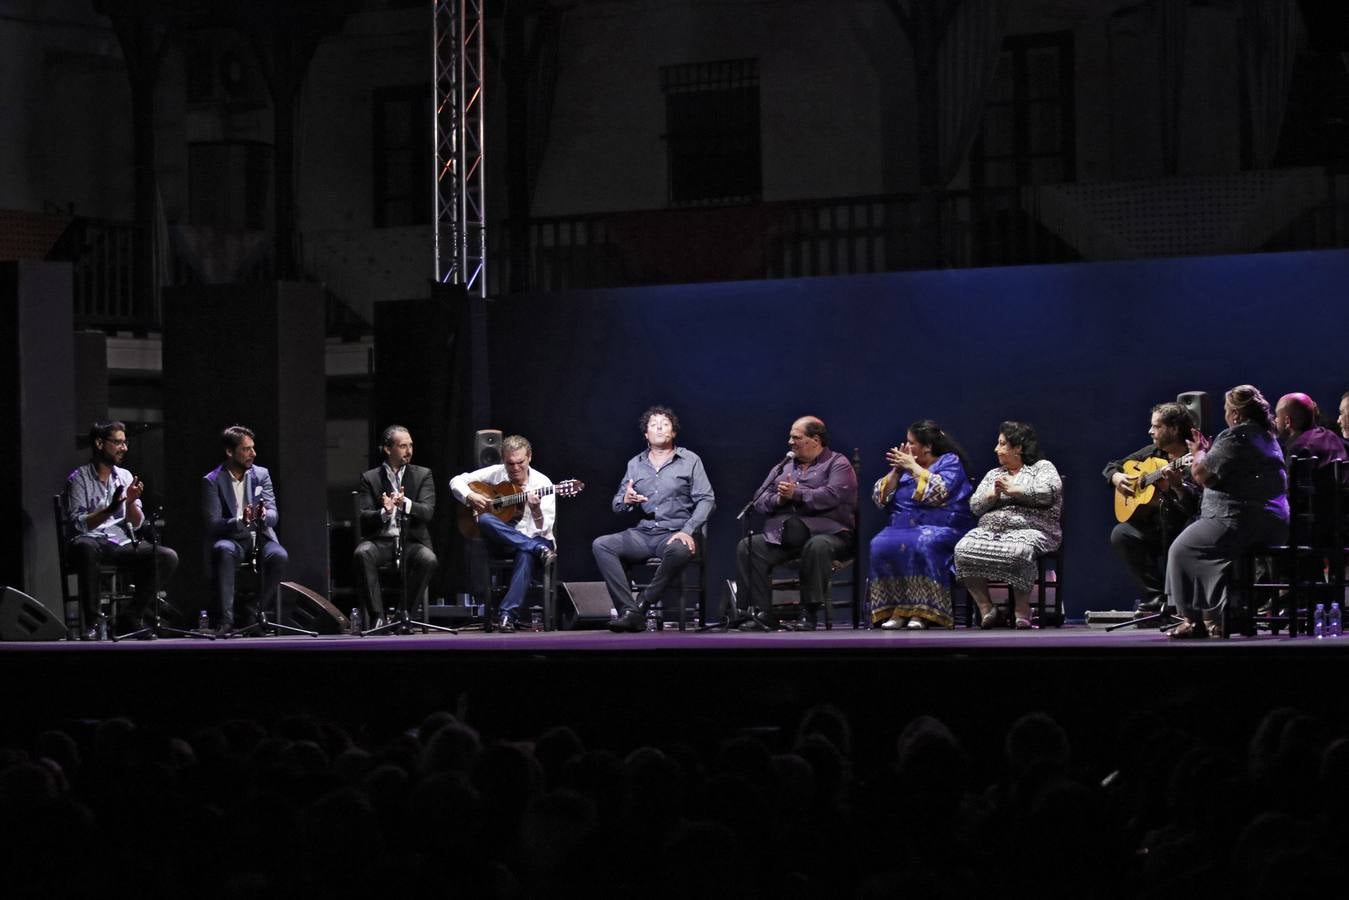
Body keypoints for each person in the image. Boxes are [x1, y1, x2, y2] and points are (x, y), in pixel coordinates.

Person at [1166, 385, 1289, 639]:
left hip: (1237, 520)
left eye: (1226, 409)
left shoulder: (1235, 436)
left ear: (1235, 414)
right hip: (1273, 524)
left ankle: (1191, 620)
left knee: (1182, 549)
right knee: (1218, 554)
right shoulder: (1268, 437)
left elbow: (1202, 475)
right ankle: (1221, 617)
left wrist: (1199, 452)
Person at [593, 406, 715, 633]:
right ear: (646, 435)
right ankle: (628, 610)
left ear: (674, 432)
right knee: (602, 545)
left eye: (665, 423)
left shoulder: (690, 460)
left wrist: (688, 530)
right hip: (644, 533)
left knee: (679, 551)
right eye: (653, 424)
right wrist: (627, 500)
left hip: (675, 532)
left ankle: (641, 606)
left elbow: (707, 500)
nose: (659, 426)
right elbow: (617, 505)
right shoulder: (635, 464)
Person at [736, 416, 858, 631]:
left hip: (831, 535)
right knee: (749, 546)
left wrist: (797, 494)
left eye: (796, 437)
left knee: (816, 546)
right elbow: (760, 499)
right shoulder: (784, 467)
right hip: (787, 537)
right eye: (790, 437)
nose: (790, 442)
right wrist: (780, 499)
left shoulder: (838, 463)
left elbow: (833, 496)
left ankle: (808, 614)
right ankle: (763, 613)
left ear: (815, 439)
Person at [63, 421, 179, 639]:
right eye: (118, 442)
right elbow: (78, 525)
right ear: (99, 443)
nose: (124, 448)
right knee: (86, 548)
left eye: (125, 443)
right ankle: (94, 623)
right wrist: (111, 509)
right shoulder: (78, 479)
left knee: (166, 556)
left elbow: (135, 524)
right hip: (89, 540)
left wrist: (130, 503)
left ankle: (131, 617)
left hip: (119, 541)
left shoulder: (125, 476)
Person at [867, 420, 975, 630]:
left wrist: (913, 467)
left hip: (944, 527)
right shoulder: (904, 468)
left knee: (922, 543)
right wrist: (897, 472)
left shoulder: (948, 461)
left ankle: (923, 612)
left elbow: (940, 493)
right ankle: (897, 610)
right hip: (902, 526)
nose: (906, 448)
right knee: (878, 543)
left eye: (912, 443)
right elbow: (879, 499)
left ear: (927, 446)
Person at [954, 421, 1062, 629]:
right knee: (962, 550)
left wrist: (1016, 490)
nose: (997, 449)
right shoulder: (994, 474)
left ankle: (1022, 610)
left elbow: (1050, 492)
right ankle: (987, 608)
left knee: (1020, 551)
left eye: (1002, 444)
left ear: (1018, 447)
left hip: (1034, 529)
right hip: (991, 530)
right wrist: (991, 495)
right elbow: (975, 506)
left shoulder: (1042, 468)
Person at [450, 435, 556, 633]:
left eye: (520, 463)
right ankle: (534, 548)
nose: (515, 468)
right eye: (510, 463)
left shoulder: (543, 483)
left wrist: (536, 510)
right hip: (509, 544)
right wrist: (470, 496)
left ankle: (507, 615)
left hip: (538, 539)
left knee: (527, 552)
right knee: (484, 519)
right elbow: (456, 480)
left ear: (530, 457)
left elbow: (544, 529)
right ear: (503, 460)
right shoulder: (497, 473)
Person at [1103, 402, 1201, 614]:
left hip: (1183, 527)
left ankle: (1180, 601)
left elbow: (1195, 505)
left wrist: (1175, 487)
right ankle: (1156, 595)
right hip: (1155, 527)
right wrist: (1117, 477)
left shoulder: (1194, 457)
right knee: (1121, 534)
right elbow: (1113, 466)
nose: (1150, 431)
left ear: (1174, 429)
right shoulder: (1153, 452)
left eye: (1156, 427)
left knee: (1174, 531)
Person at [201, 425, 289, 634]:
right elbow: (213, 524)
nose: (253, 454)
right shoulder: (212, 480)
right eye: (246, 449)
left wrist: (264, 515)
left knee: (279, 556)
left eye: (253, 448)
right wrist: (240, 520)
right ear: (230, 452)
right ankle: (226, 620)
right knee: (223, 550)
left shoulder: (261, 475)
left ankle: (254, 608)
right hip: (232, 539)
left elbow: (274, 516)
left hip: (260, 537)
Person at [353, 425, 438, 628]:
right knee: (362, 553)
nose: (409, 451)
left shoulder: (423, 475)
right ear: (388, 449)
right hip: (381, 540)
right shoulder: (370, 478)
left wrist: (405, 503)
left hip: (411, 540)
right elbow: (363, 516)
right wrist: (385, 512)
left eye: (410, 445)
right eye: (402, 446)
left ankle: (404, 614)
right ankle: (378, 617)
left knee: (429, 559)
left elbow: (427, 511)